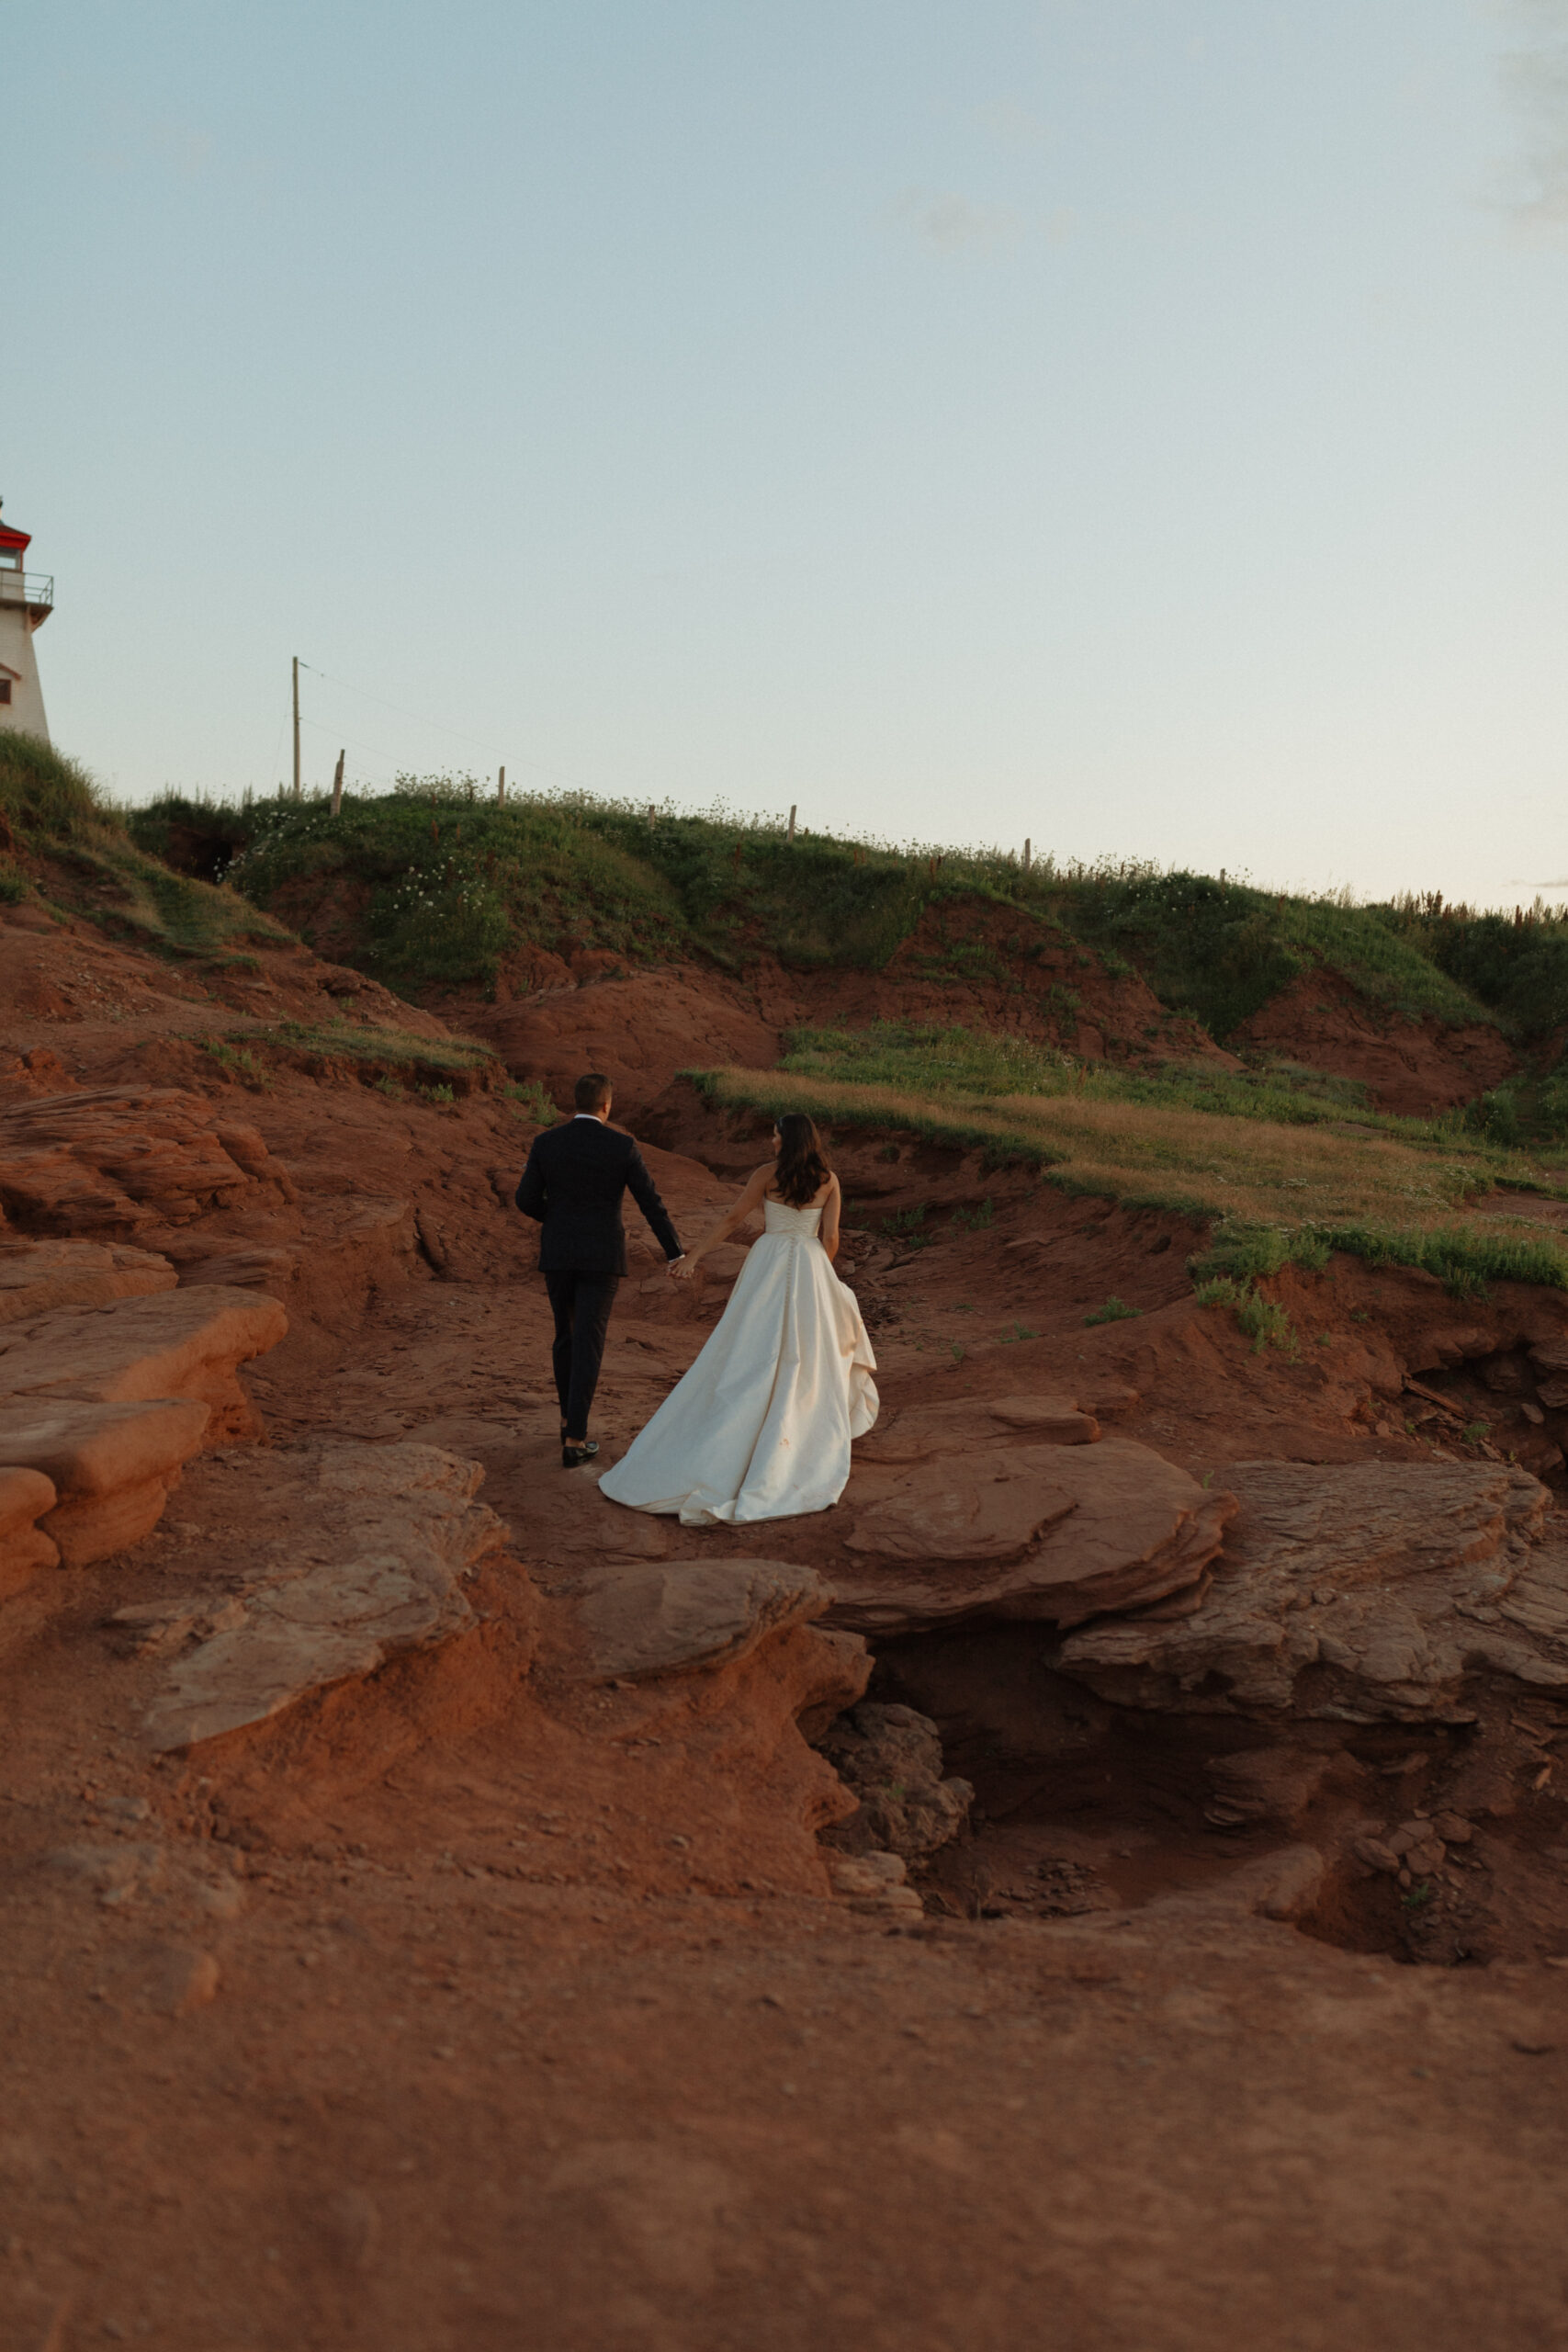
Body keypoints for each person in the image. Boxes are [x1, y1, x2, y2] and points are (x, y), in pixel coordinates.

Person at [597, 1111, 878, 1524]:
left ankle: (738, 1430)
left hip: (769, 1260)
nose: (772, 1140)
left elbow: (733, 1219)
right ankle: (797, 1431)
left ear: (788, 1139)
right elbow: (831, 1238)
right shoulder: (828, 1180)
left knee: (750, 1344)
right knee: (805, 1350)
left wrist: (693, 1256)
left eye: (776, 1134)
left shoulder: (767, 1174)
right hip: (810, 1263)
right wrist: (821, 1274)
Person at [514, 1072, 684, 1467]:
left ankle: (565, 1419)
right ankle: (575, 1438)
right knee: (589, 1341)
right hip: (602, 1258)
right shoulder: (622, 1147)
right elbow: (650, 1203)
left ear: (576, 1103)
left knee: (566, 1336)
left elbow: (525, 1199)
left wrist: (556, 1220)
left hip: (559, 1254)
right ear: (607, 1105)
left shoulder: (546, 1142)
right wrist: (674, 1251)